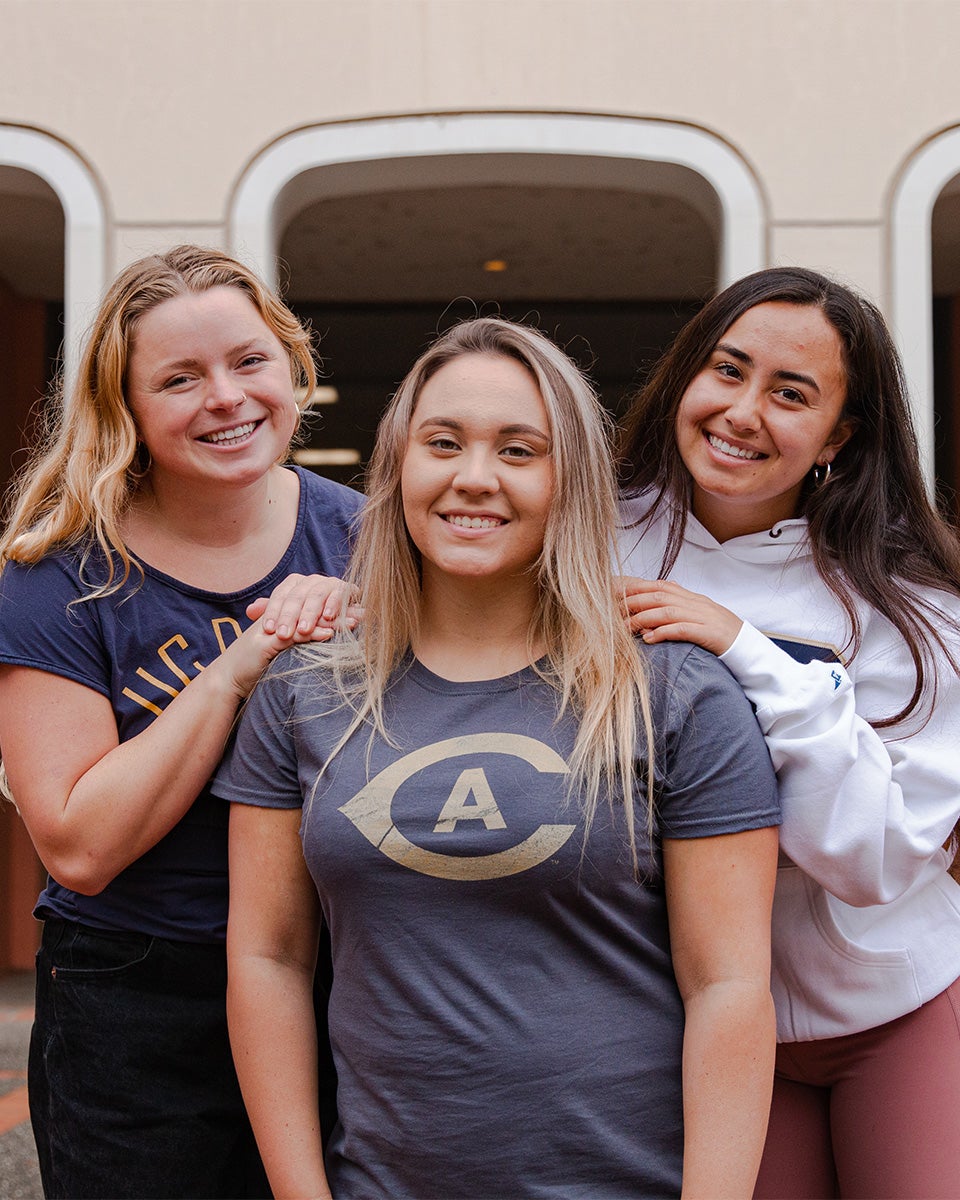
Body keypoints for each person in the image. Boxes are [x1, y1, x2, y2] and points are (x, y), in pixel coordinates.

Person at [215, 316, 780, 1200]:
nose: (472, 478)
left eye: (520, 450)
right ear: (399, 463)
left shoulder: (673, 691)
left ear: (572, 482)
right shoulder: (304, 691)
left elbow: (731, 986)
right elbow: (267, 961)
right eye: (443, 443)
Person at [0, 245, 363, 1200]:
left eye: (249, 361)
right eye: (179, 379)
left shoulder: (374, 539)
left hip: (349, 976)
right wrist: (241, 665)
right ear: (125, 410)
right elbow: (78, 847)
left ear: (292, 365)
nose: (227, 398)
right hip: (142, 997)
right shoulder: (58, 576)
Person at [617, 266, 960, 1200]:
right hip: (697, 1015)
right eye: (726, 371)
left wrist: (744, 649)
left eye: (791, 394)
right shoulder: (591, 544)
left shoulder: (917, 604)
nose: (742, 411)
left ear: (839, 438)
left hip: (897, 1003)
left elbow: (875, 857)